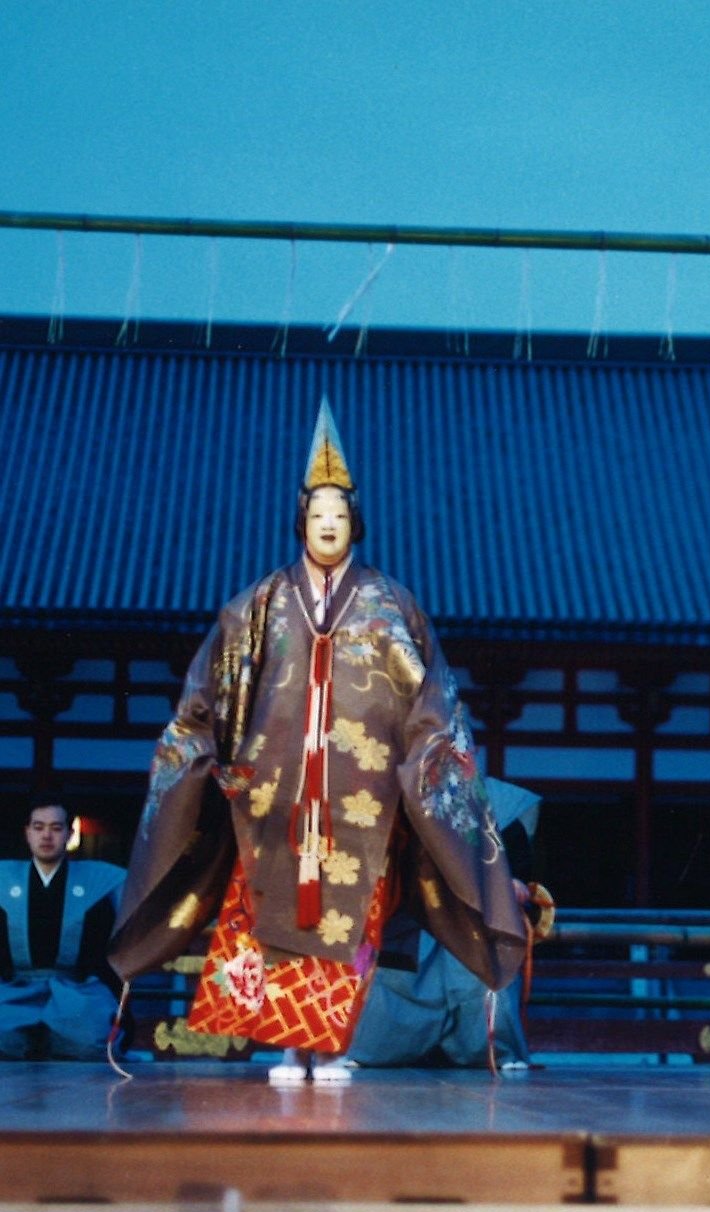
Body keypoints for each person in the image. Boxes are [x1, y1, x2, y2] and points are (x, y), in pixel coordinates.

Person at [109, 397, 526, 1085]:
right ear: (299, 522)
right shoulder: (257, 605)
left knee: (350, 929)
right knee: (265, 926)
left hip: (360, 807)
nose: (327, 526)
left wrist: (422, 765)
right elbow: (205, 696)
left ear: (355, 524)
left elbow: (433, 704)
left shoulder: (394, 606)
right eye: (316, 516)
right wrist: (200, 755)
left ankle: (331, 1048)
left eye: (338, 516)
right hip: (271, 800)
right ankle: (286, 1049)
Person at [350, 777, 552, 1070]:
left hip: (478, 917)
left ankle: (497, 1051)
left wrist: (515, 884)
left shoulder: (499, 800)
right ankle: (373, 1049)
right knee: (391, 980)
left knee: (487, 971)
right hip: (412, 912)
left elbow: (522, 869)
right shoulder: (396, 794)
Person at [1, 800, 126, 1059]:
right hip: (16, 989)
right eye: (39, 827)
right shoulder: (5, 876)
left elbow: (142, 899)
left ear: (70, 835)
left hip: (75, 990)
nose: (47, 835)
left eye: (56, 828)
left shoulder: (99, 878)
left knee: (89, 1044)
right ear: (28, 833)